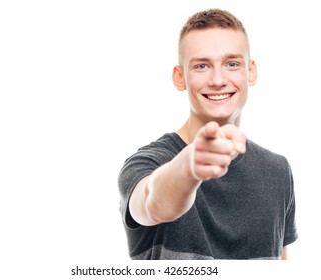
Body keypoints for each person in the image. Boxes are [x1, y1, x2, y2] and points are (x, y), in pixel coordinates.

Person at [118, 8, 298, 260]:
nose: (217, 79)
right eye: (201, 66)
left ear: (251, 72)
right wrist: (189, 168)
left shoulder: (278, 170)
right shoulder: (149, 162)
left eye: (232, 64)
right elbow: (153, 203)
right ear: (180, 78)